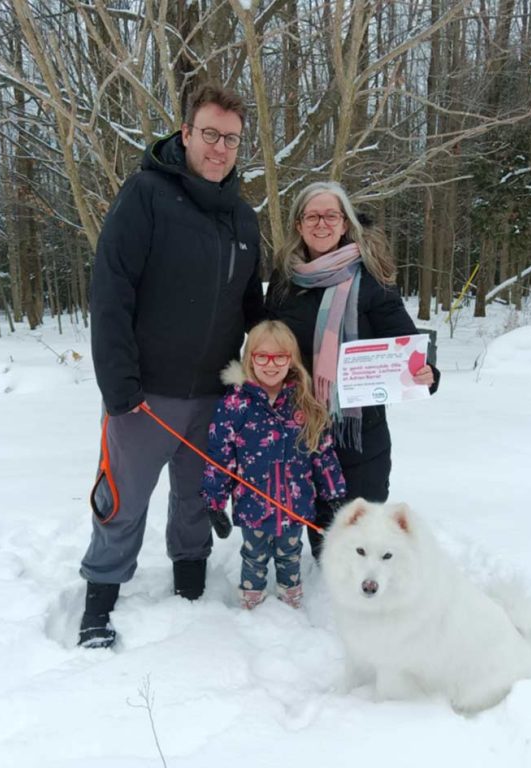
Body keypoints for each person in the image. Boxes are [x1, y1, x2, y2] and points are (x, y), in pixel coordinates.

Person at [79, 83, 264, 649]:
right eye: (209, 134)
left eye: (231, 139)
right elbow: (112, 291)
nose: (219, 148)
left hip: (213, 394)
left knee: (197, 497)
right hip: (144, 393)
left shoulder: (243, 218)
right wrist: (119, 385)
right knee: (124, 499)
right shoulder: (145, 195)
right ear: (185, 134)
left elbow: (252, 311)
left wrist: (258, 380)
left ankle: (190, 588)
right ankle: (99, 602)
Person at [265, 181, 440, 558]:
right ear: (298, 224)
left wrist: (426, 370)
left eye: (331, 215)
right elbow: (266, 339)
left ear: (345, 223)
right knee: (315, 524)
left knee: (363, 521)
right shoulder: (284, 280)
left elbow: (404, 341)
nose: (322, 223)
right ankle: (319, 587)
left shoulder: (370, 275)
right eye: (312, 216)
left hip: (360, 427)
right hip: (299, 421)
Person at [200, 320, 348, 609]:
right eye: (262, 357)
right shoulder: (235, 405)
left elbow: (322, 450)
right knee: (254, 555)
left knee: (290, 553)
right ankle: (251, 602)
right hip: (254, 505)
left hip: (296, 504)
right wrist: (214, 501)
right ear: (250, 358)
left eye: (280, 357)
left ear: (291, 359)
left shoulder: (304, 401)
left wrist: (334, 494)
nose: (271, 365)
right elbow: (220, 457)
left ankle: (290, 600)